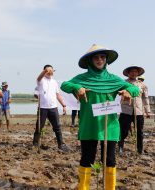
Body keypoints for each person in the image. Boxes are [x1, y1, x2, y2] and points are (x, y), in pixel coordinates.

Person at [61, 44, 140, 190]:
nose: (99, 60)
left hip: (109, 126)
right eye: (96, 57)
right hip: (89, 125)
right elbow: (65, 85)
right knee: (87, 159)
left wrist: (129, 91)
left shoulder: (113, 79)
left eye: (102, 57)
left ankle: (109, 188)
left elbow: (135, 88)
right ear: (90, 61)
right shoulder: (82, 78)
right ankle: (83, 188)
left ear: (106, 60)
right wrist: (77, 88)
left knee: (110, 160)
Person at [32, 65, 70, 152]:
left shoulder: (54, 82)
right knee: (39, 126)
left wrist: (64, 105)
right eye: (48, 71)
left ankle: (61, 144)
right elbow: (38, 77)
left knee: (57, 127)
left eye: (51, 71)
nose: (50, 72)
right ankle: (35, 143)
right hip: (42, 108)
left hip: (53, 107)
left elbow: (58, 95)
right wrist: (45, 71)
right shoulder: (41, 80)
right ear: (44, 71)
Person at [118, 66, 151, 155]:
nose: (133, 73)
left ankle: (139, 149)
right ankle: (120, 147)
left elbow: (145, 98)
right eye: (131, 71)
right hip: (126, 110)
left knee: (139, 131)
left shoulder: (142, 85)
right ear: (128, 73)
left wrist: (147, 111)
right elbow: (118, 93)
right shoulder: (123, 83)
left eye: (135, 71)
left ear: (138, 73)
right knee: (123, 131)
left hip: (139, 111)